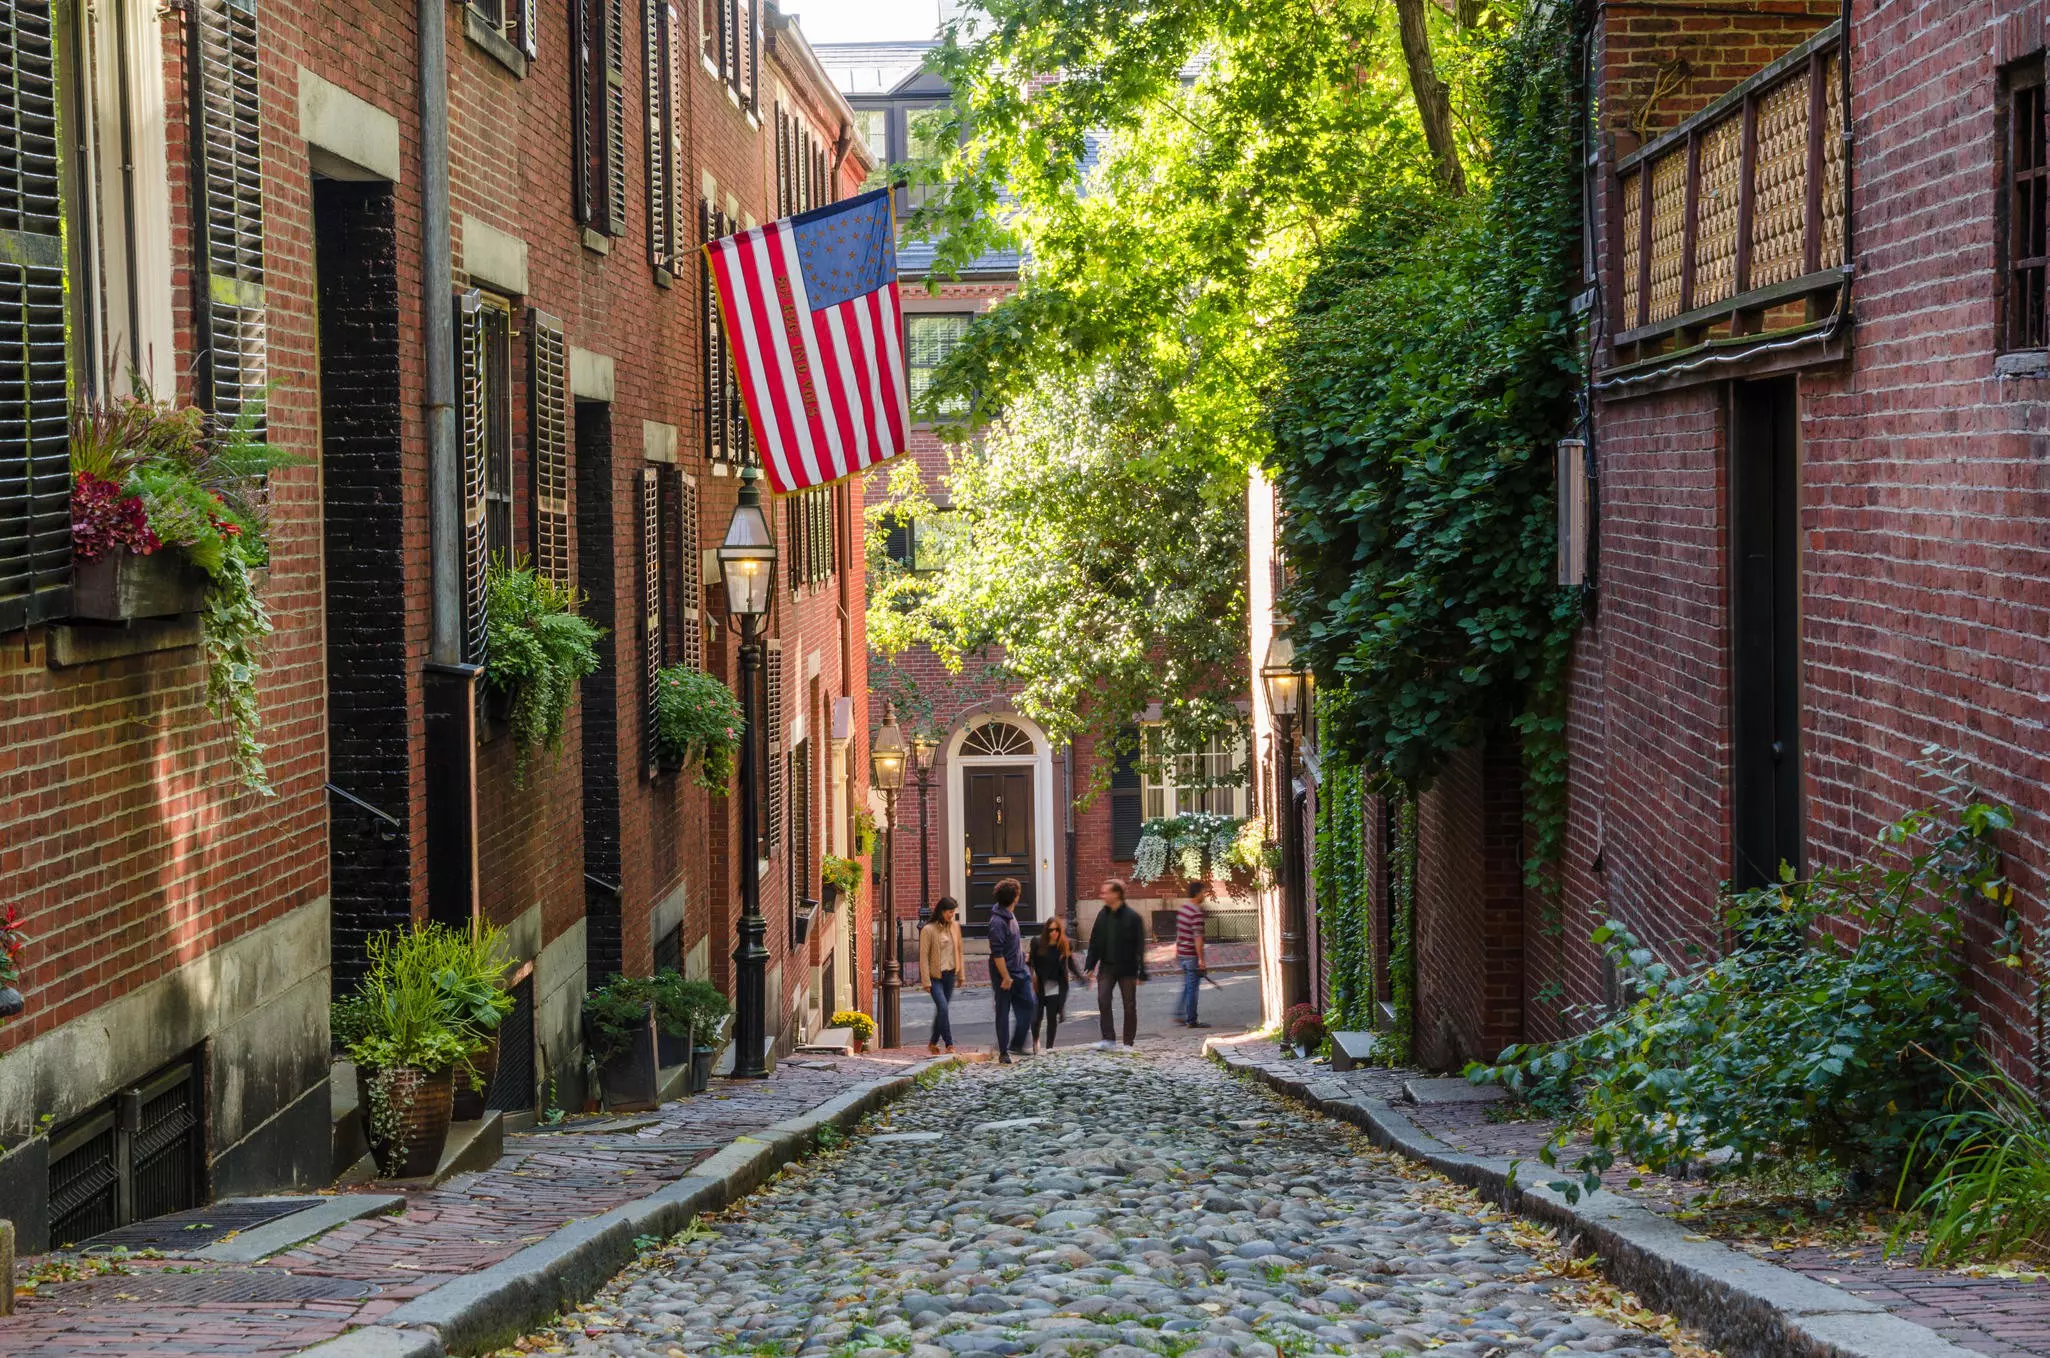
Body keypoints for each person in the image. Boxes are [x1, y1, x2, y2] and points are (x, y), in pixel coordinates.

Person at [1084, 878, 1146, 1049]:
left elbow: (1140, 945)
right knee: (1103, 1000)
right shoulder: (1102, 915)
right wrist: (1090, 965)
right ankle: (1108, 1039)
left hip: (1127, 968)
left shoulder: (1133, 917)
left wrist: (1142, 971)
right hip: (1107, 967)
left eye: (1106, 892)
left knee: (1129, 1005)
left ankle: (1128, 1043)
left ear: (1117, 894)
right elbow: (1094, 941)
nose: (1102, 895)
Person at [985, 878, 1037, 1064]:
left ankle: (1016, 1044)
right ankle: (1004, 1052)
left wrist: (1023, 957)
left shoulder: (1010, 915)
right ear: (1015, 897)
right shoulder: (997, 922)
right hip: (1005, 975)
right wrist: (1005, 977)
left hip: (1019, 970)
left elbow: (1012, 943)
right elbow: (997, 953)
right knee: (1003, 1011)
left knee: (1030, 1004)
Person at [1028, 914, 1086, 1051]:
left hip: (1053, 984)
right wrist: (1032, 975)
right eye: (1050, 930)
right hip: (1040, 982)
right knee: (1036, 1017)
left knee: (1051, 1017)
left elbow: (1070, 963)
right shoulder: (1037, 943)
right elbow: (1030, 962)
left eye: (1056, 930)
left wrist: (1081, 978)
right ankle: (1035, 1040)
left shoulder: (1064, 945)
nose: (1053, 933)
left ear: (1060, 931)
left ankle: (1049, 1048)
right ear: (1046, 931)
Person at [918, 896, 965, 1055]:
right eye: (950, 912)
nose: (952, 915)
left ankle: (932, 1042)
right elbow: (923, 956)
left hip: (950, 974)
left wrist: (961, 975)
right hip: (934, 976)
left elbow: (959, 950)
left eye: (953, 912)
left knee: (941, 1011)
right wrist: (925, 981)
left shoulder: (955, 927)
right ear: (942, 911)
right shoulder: (928, 930)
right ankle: (949, 1044)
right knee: (943, 1008)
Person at [1174, 881, 1211, 1029]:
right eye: (1203, 892)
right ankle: (1191, 1020)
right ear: (1197, 893)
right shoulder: (1195, 912)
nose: (1205, 895)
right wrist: (1201, 959)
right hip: (1191, 955)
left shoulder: (1183, 909)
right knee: (1192, 989)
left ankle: (1179, 1014)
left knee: (1187, 986)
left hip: (1182, 954)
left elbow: (1179, 934)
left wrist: (1177, 952)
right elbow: (1198, 938)